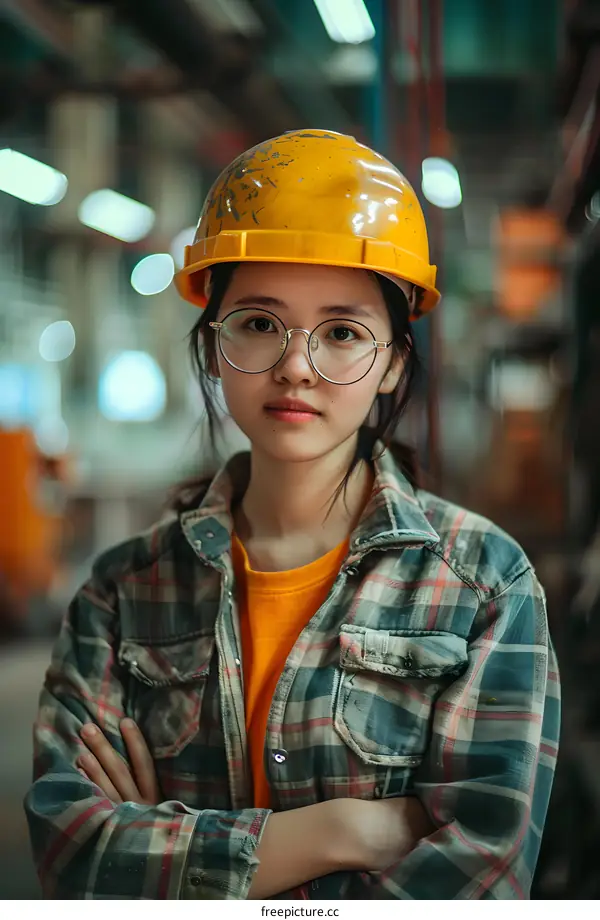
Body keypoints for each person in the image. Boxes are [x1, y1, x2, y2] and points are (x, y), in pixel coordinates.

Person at [24, 129, 560, 900]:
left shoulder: (481, 586)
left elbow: (483, 873)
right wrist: (345, 831)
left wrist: (164, 848)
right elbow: (74, 855)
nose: (296, 365)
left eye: (342, 333)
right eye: (258, 323)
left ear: (394, 364)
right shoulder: (122, 593)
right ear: (213, 345)